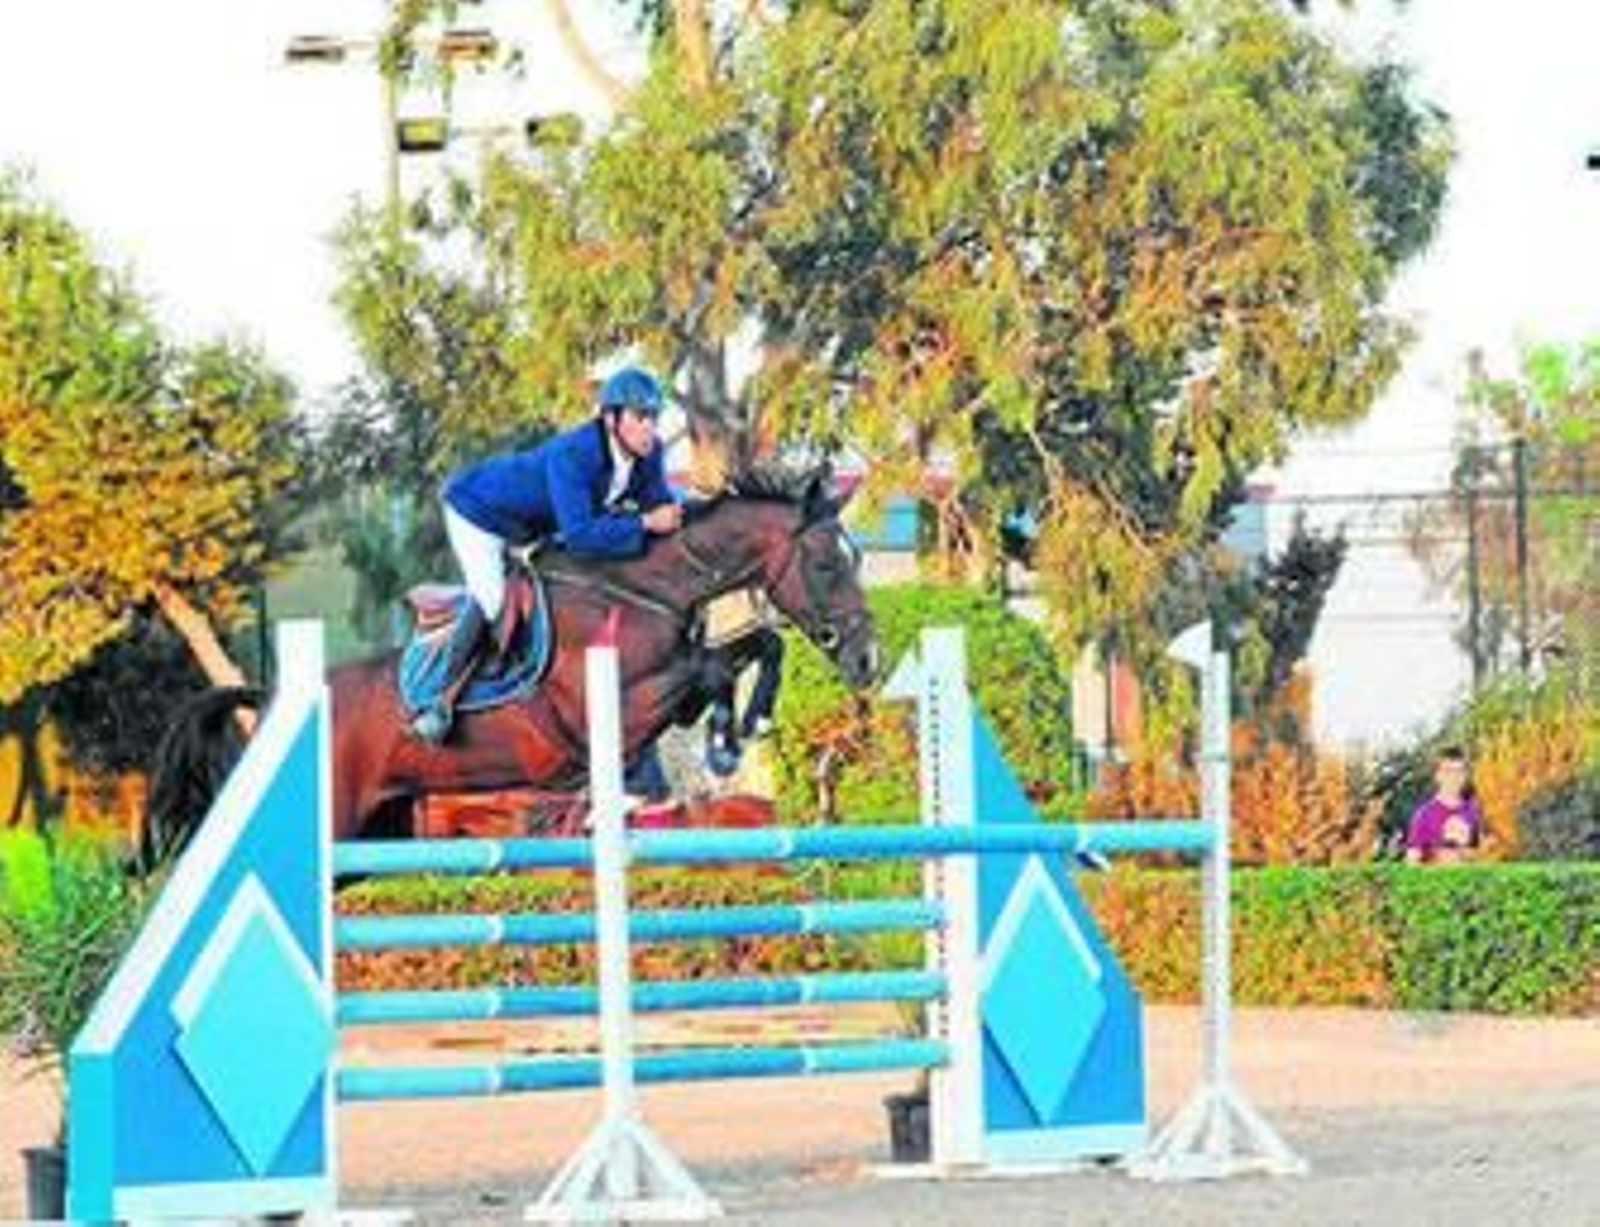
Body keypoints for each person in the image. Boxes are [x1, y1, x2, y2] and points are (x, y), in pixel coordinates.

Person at [411, 365, 683, 744]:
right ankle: (437, 699)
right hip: (480, 514)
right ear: (611, 419)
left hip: (533, 529)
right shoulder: (575, 453)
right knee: (492, 600)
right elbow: (582, 536)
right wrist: (644, 524)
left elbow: (662, 510)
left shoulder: (648, 454)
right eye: (641, 417)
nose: (650, 427)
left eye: (654, 417)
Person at [1404, 745, 1483, 865]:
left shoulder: (1472, 811)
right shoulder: (1423, 815)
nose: (1454, 777)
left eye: (1459, 771)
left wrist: (1461, 846)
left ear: (1465, 776)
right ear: (1437, 775)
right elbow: (1411, 864)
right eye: (1448, 771)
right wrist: (1439, 853)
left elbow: (1478, 859)